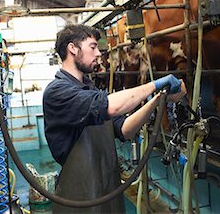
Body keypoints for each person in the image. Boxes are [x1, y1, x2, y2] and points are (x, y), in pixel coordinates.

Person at [43, 24, 187, 213]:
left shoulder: (90, 90)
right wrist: (154, 84)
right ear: (72, 48)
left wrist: (159, 99)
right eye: (93, 47)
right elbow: (111, 106)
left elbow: (125, 129)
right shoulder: (57, 92)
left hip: (107, 190)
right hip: (80, 198)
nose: (98, 54)